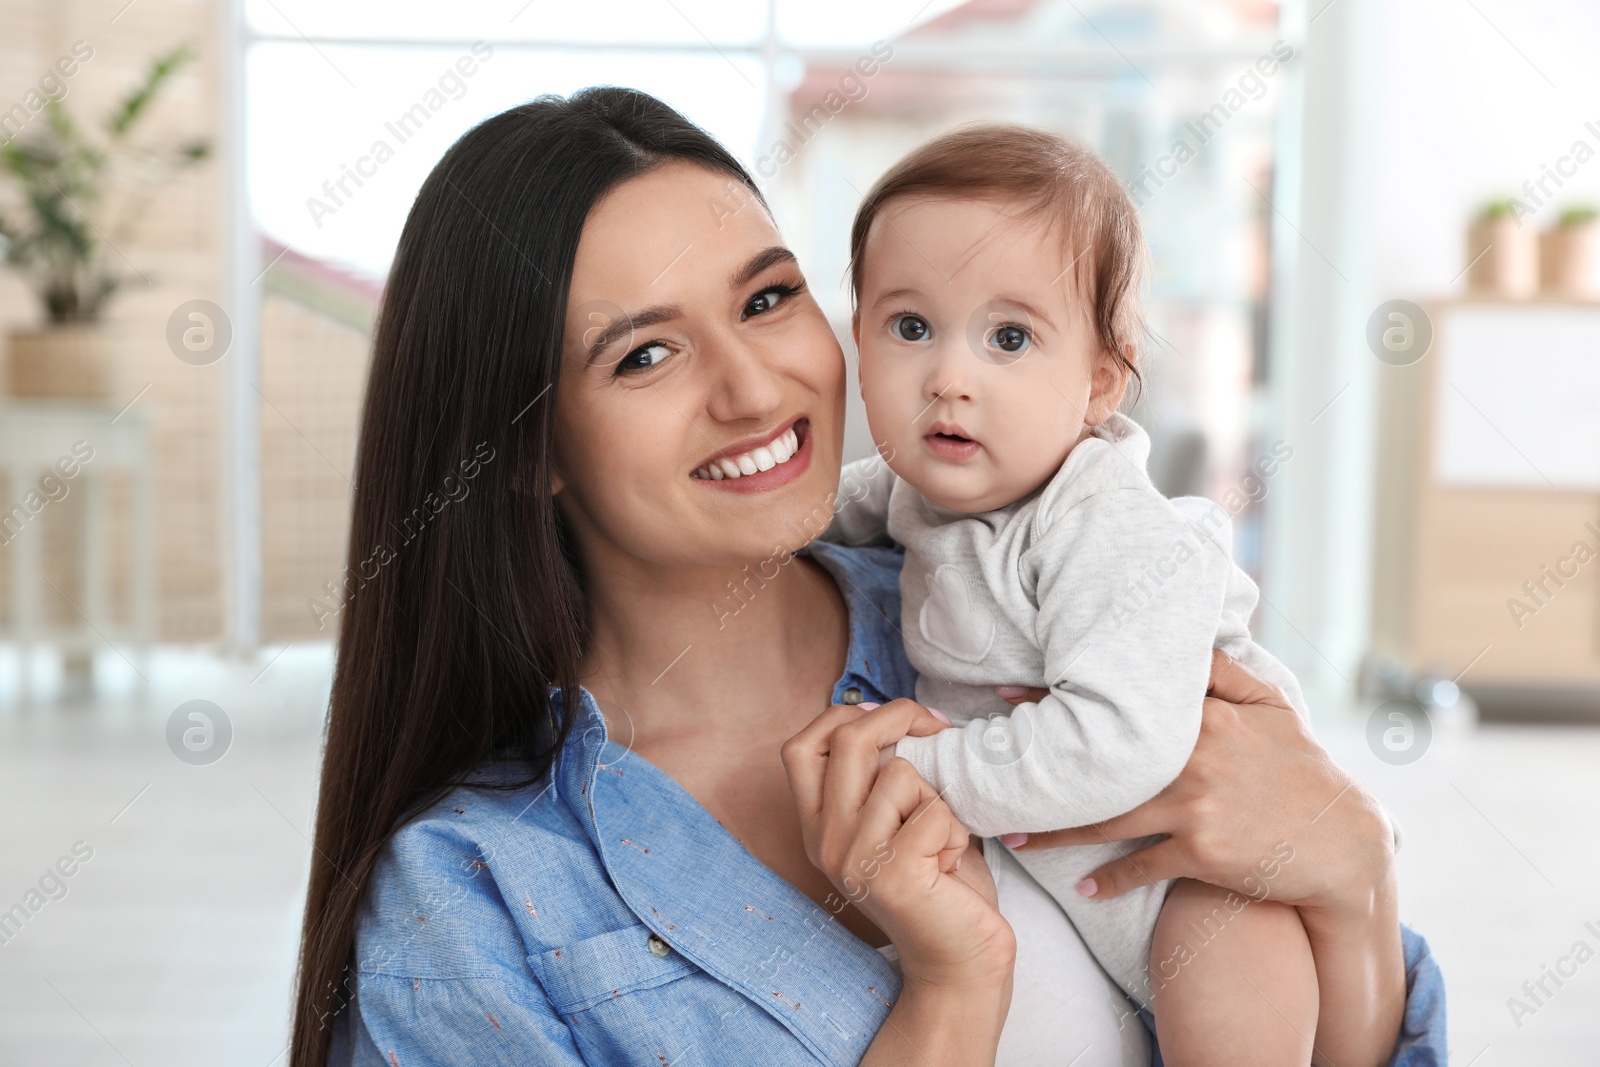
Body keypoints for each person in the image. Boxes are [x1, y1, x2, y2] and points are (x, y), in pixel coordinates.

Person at [287, 87, 1447, 1067]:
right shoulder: (473, 901)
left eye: (765, 299)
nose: (755, 387)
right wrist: (949, 990)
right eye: (645, 352)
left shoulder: (1014, 614)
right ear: (524, 447)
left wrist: (1356, 882)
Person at [824, 123, 1394, 1065]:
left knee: (1228, 988)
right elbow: (832, 510)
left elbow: (1125, 737)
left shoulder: (1105, 523)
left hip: (1204, 873)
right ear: (861, 339)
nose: (949, 379)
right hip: (1066, 858)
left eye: (1009, 337)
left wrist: (929, 776)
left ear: (1097, 379)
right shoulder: (915, 488)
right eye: (910, 327)